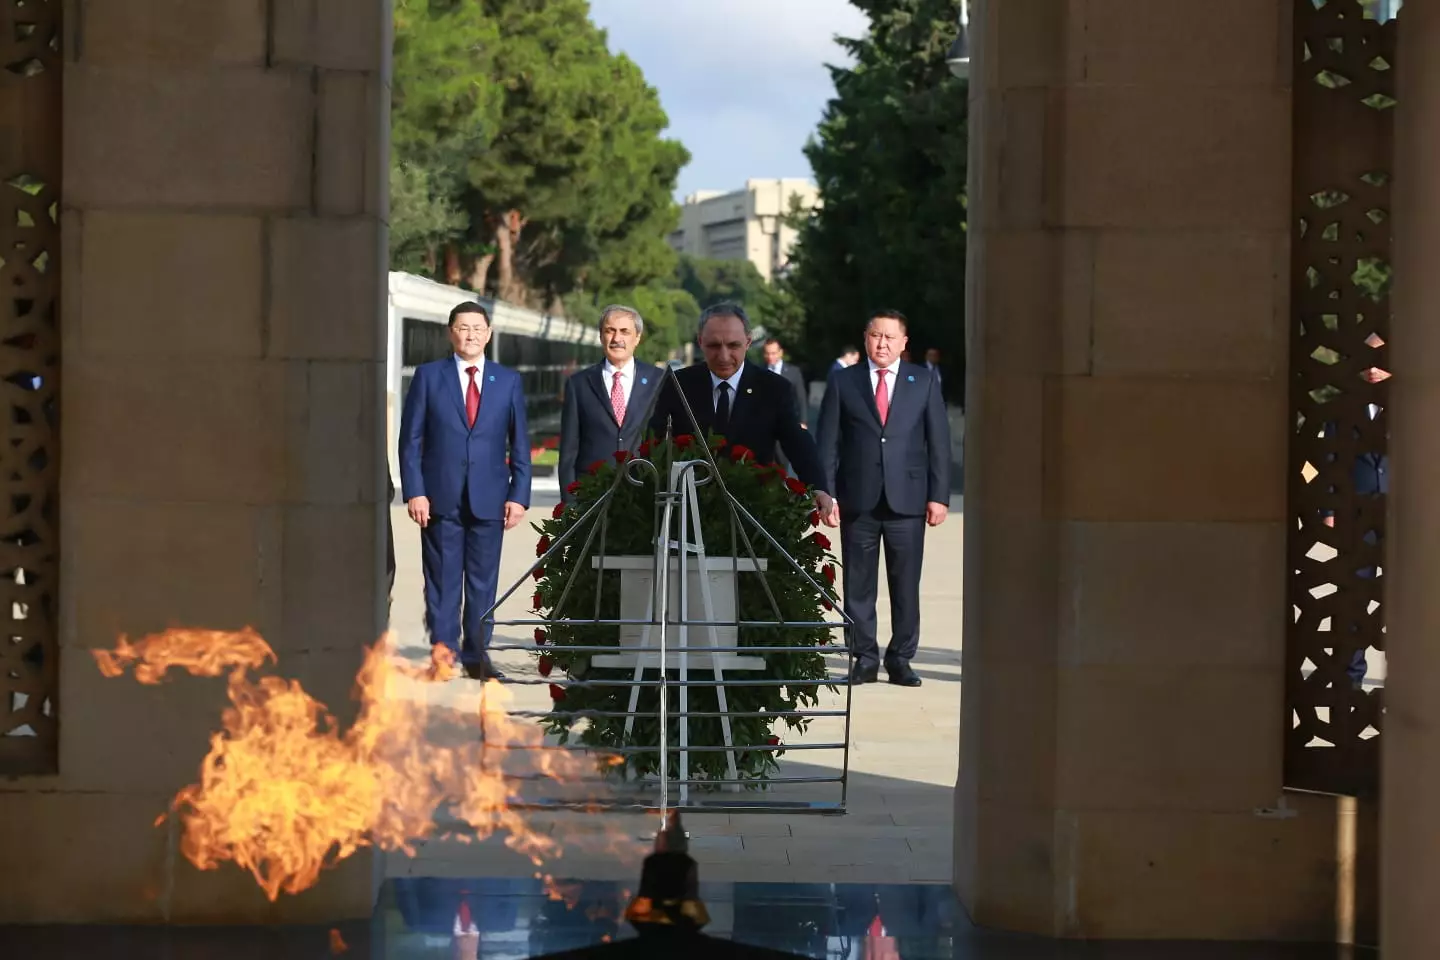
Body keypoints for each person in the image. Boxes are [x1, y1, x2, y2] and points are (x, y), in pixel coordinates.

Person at [817, 309, 951, 687]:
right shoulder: (845, 381)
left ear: (904, 343)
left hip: (908, 499)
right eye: (876, 336)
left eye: (890, 337)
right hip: (858, 498)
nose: (882, 343)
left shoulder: (922, 381)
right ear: (865, 339)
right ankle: (863, 657)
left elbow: (939, 443)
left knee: (906, 584)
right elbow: (827, 442)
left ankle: (901, 658)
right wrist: (826, 492)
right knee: (858, 585)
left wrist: (938, 496)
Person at [399, 301, 531, 680]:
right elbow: (411, 441)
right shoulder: (429, 376)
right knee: (441, 581)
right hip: (439, 497)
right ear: (450, 332)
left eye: (477, 327)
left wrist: (518, 495)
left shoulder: (506, 381)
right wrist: (415, 491)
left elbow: (519, 443)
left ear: (488, 333)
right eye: (462, 327)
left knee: (482, 582)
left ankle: (476, 657)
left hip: (490, 498)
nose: (470, 334)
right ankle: (443, 655)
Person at [648, 302, 834, 520]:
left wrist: (817, 487)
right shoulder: (679, 384)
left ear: (748, 342)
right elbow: (655, 438)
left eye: (733, 345)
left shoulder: (774, 388)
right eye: (714, 346)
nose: (724, 356)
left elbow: (796, 440)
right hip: (691, 510)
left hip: (754, 511)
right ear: (700, 342)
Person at [558, 304, 662, 497]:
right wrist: (569, 502)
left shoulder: (659, 381)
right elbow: (568, 451)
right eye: (610, 331)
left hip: (644, 493)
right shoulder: (578, 384)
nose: (617, 339)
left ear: (637, 337)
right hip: (591, 494)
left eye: (624, 332)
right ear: (601, 336)